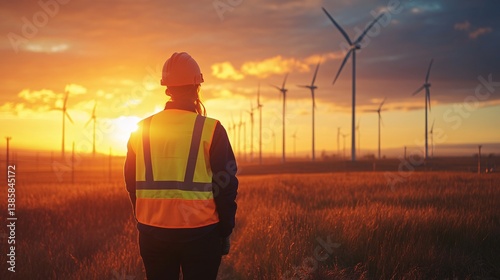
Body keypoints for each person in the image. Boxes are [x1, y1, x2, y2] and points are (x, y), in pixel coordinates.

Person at [124, 52, 238, 280]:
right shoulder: (212, 129)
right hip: (202, 235)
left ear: (167, 88)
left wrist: (145, 220)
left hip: (152, 235)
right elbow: (225, 185)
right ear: (197, 86)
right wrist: (225, 231)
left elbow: (131, 184)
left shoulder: (141, 130)